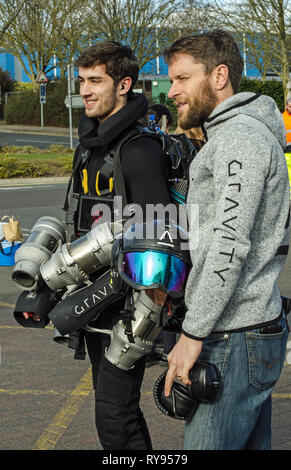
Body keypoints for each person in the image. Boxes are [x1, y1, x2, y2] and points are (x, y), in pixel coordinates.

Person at [163, 30, 290, 450]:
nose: (172, 90)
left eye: (182, 78)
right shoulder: (233, 134)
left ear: (219, 76)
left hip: (235, 333)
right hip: (246, 328)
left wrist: (192, 334)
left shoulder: (239, 139)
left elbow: (228, 243)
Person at [69, 41, 171, 450]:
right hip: (95, 297)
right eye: (81, 81)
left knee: (114, 414)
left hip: (132, 304)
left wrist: (156, 311)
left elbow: (163, 236)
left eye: (96, 81)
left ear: (124, 84)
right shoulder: (91, 148)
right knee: (116, 411)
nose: (85, 91)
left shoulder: (140, 149)